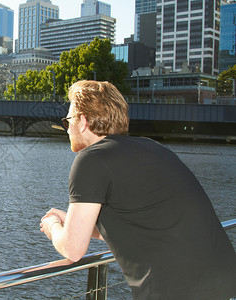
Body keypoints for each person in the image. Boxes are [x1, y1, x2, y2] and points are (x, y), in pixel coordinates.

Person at [40, 80, 236, 300]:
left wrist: (53, 226)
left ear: (83, 122)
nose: (68, 130)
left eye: (68, 122)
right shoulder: (154, 148)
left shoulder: (91, 158)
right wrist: (73, 222)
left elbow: (73, 250)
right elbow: (140, 224)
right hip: (224, 284)